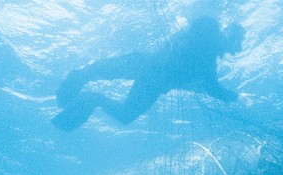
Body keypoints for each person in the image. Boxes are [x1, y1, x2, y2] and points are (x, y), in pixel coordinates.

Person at [52, 18, 244, 130]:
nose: (238, 48)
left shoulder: (207, 57)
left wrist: (224, 94)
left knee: (123, 111)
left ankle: (91, 97)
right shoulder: (208, 53)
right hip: (149, 69)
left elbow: (207, 83)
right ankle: (85, 89)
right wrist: (230, 96)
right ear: (231, 36)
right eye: (238, 42)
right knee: (103, 81)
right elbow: (211, 86)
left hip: (150, 76)